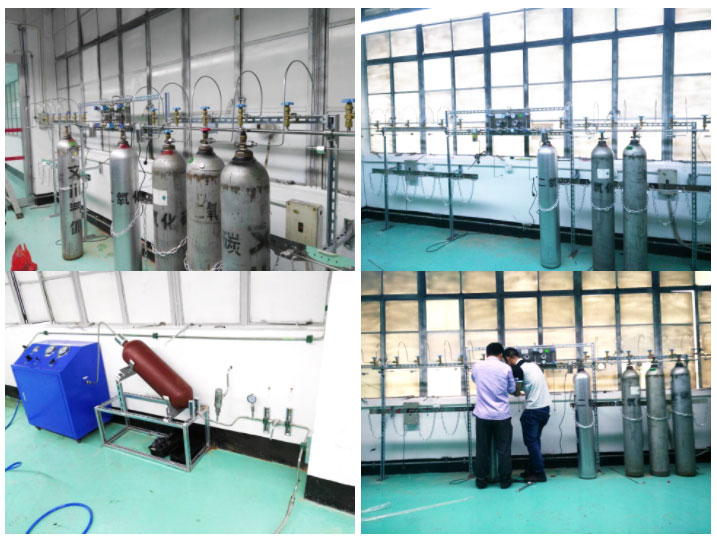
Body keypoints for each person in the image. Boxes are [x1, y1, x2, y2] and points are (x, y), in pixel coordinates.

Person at [504, 347, 552, 483]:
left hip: (533, 411)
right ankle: (531, 470)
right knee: (535, 442)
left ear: (508, 359)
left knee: (531, 443)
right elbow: (532, 385)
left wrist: (508, 388)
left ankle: (540, 474)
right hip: (545, 409)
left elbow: (516, 392)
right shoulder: (533, 365)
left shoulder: (517, 369)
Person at [471, 342, 515, 489]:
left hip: (483, 416)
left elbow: (474, 380)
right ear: (501, 355)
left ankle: (481, 481)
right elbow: (512, 389)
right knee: (504, 450)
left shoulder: (477, 367)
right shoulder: (506, 368)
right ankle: (505, 481)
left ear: (486, 354)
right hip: (502, 416)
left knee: (482, 450)